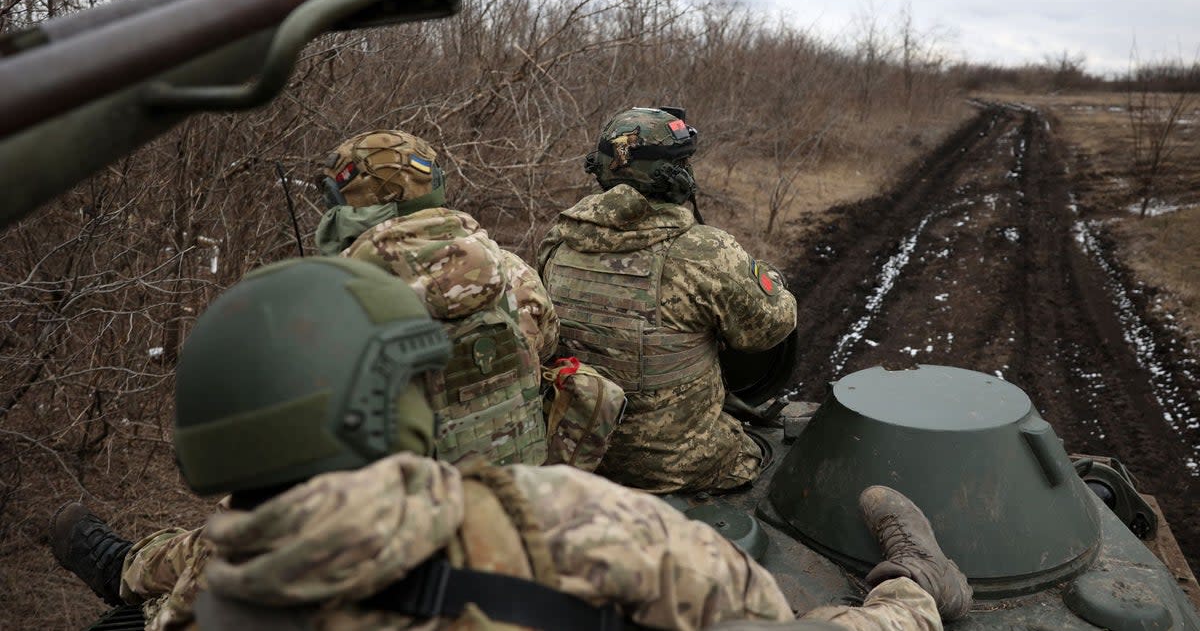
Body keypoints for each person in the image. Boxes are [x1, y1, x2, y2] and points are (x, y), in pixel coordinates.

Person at [50, 257, 972, 631]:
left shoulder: (211, 587)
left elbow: (208, 544)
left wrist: (130, 570)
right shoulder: (564, 524)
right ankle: (918, 588)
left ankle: (118, 560)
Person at [538, 107, 797, 493]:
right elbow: (773, 327)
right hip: (679, 467)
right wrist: (769, 278)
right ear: (676, 178)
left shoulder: (557, 241)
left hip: (578, 454)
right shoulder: (706, 251)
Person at [315, 129, 557, 466]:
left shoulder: (325, 301)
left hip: (409, 508)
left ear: (338, 203)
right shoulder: (510, 270)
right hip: (515, 497)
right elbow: (544, 345)